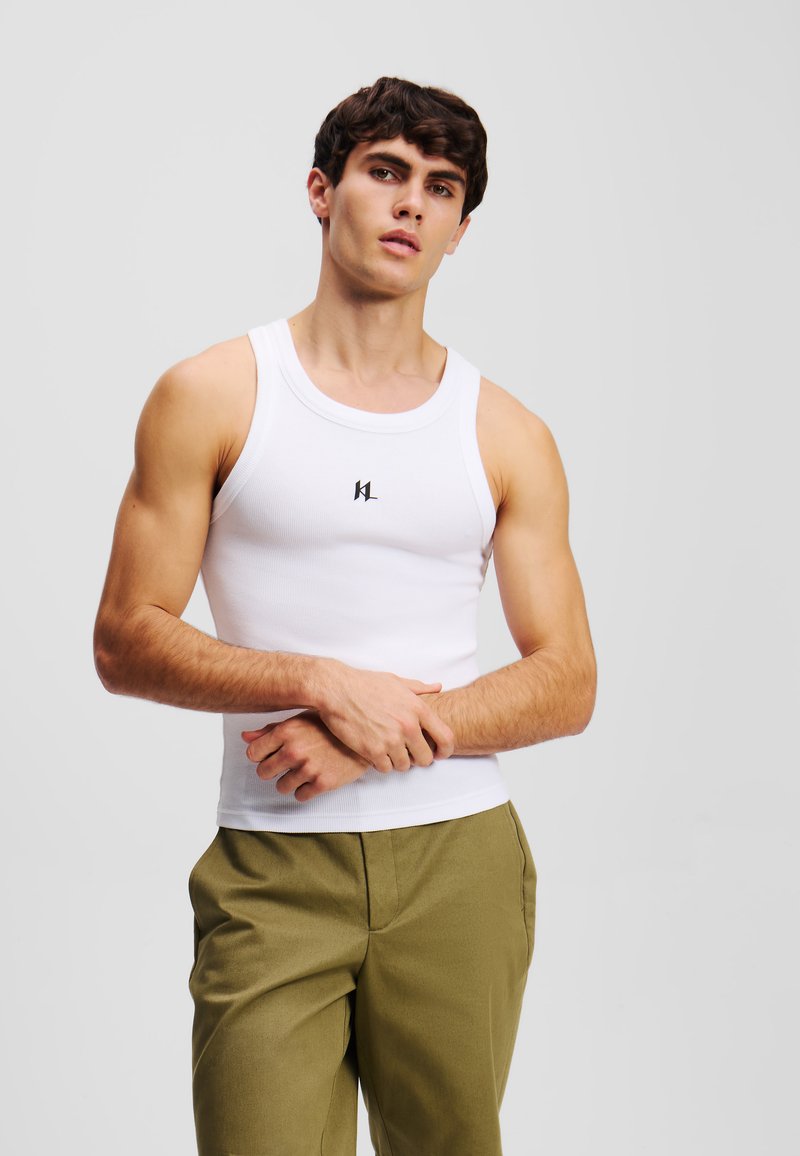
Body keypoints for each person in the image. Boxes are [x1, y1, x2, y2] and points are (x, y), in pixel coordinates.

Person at [94, 76, 596, 1156]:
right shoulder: (214, 393)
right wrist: (318, 681)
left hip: (459, 858)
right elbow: (126, 636)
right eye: (385, 171)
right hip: (275, 864)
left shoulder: (506, 433)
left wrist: (367, 739)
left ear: (460, 229)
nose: (411, 201)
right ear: (322, 192)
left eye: (441, 187)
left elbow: (567, 679)